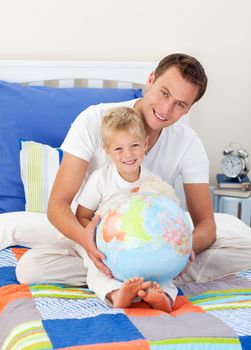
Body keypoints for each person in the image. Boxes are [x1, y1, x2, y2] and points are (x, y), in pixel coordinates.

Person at [16, 53, 217, 287]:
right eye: (164, 92)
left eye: (180, 104)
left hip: (155, 243)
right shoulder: (94, 121)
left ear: (188, 110)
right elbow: (58, 205)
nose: (166, 108)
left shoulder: (188, 142)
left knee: (243, 248)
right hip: (92, 237)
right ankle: (139, 277)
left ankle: (145, 274)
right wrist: (87, 240)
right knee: (30, 269)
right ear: (151, 79)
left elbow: (207, 225)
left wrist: (180, 249)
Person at [75, 106, 181, 312]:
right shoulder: (101, 179)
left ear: (145, 145)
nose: (128, 154)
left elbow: (166, 217)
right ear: (107, 151)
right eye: (118, 149)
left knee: (165, 268)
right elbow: (82, 216)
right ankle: (116, 294)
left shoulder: (152, 181)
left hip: (144, 246)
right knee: (98, 271)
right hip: (108, 247)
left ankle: (163, 298)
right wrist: (97, 241)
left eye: (134, 146)